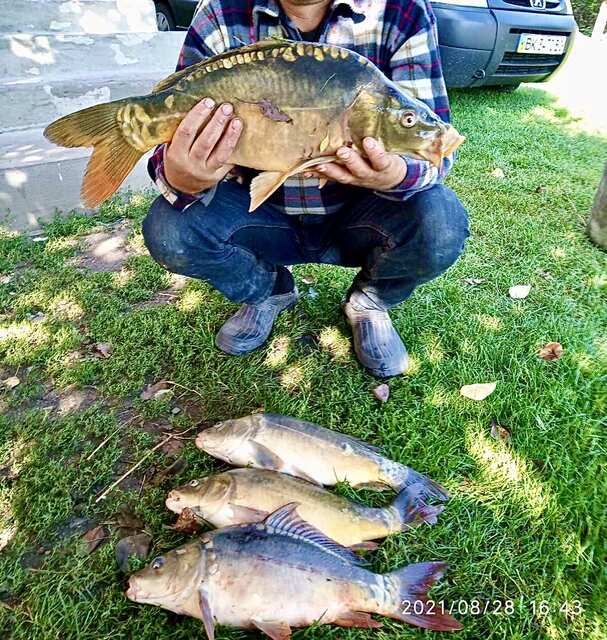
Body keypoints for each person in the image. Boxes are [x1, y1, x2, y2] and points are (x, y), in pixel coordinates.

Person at [142, 0, 469, 378]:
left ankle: (369, 302)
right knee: (170, 229)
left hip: (359, 218)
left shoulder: (402, 9)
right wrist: (185, 176)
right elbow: (167, 154)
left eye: (406, 119)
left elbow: (435, 154)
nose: (410, 123)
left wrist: (394, 175)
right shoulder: (220, 11)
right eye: (406, 120)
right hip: (259, 214)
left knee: (441, 221)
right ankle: (268, 290)